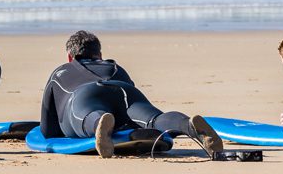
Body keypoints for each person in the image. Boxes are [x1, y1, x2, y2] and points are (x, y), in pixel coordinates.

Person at [39, 30, 222, 158]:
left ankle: (99, 124)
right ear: (100, 54)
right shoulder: (116, 67)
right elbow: (131, 120)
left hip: (84, 95)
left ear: (70, 57)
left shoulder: (60, 72)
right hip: (123, 90)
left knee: (87, 115)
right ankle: (189, 125)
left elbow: (49, 130)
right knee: (153, 119)